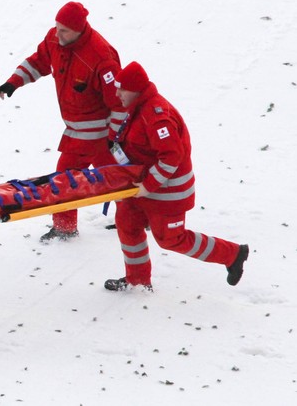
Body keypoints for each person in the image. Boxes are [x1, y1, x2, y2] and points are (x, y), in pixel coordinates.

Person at [103, 62, 249, 291]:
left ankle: (232, 254)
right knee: (127, 223)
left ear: (136, 90)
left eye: (122, 89)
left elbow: (171, 156)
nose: (117, 93)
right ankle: (137, 281)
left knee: (171, 239)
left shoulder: (156, 116)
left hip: (167, 192)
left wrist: (148, 185)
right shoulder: (136, 108)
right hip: (142, 187)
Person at [0, 2, 125, 241]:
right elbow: (38, 61)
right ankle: (135, 217)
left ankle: (68, 228)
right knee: (114, 179)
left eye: (64, 30)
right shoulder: (55, 38)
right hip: (77, 132)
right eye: (57, 27)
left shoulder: (101, 57)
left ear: (79, 30)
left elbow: (119, 103)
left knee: (70, 180)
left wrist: (114, 137)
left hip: (100, 137)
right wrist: (13, 83)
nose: (57, 34)